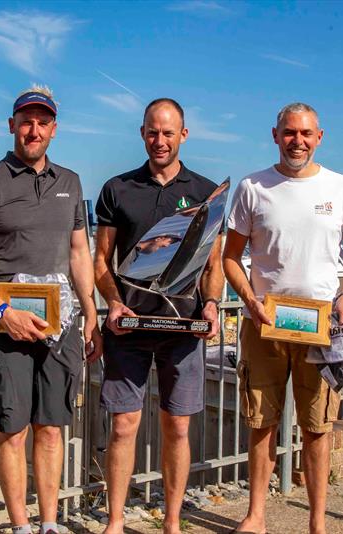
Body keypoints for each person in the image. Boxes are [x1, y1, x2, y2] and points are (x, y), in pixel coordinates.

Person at [0, 85, 102, 534]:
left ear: (54, 129)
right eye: (26, 121)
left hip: (60, 326)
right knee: (12, 429)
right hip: (4, 328)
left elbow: (79, 251)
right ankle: (21, 526)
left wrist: (90, 306)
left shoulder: (70, 183)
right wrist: (3, 313)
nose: (33, 130)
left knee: (52, 428)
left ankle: (50, 524)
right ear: (11, 125)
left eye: (43, 122)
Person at [223, 103, 343, 534]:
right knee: (260, 423)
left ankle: (317, 522)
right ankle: (256, 516)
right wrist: (249, 301)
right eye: (290, 133)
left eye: (306, 133)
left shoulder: (341, 187)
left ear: (319, 137)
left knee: (317, 427)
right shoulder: (253, 187)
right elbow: (231, 258)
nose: (298, 141)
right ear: (275, 135)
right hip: (263, 324)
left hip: (321, 327)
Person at [93, 98, 224, 534]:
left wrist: (211, 305)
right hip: (126, 328)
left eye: (169, 132)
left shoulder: (206, 190)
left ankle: (171, 523)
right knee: (124, 426)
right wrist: (113, 302)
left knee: (178, 428)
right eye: (153, 131)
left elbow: (213, 266)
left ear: (183, 135)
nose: (160, 140)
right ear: (142, 133)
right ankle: (115, 522)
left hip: (182, 331)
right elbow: (100, 262)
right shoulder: (117, 188)